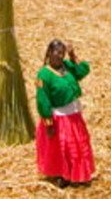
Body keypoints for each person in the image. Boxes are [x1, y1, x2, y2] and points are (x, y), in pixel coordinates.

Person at [35, 39, 95, 187]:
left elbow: (83, 70)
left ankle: (76, 173)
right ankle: (62, 174)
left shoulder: (67, 66)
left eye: (62, 53)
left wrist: (73, 55)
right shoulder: (43, 75)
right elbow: (42, 100)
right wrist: (48, 122)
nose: (59, 56)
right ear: (49, 53)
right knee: (63, 147)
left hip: (74, 115)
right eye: (56, 52)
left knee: (77, 146)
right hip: (59, 119)